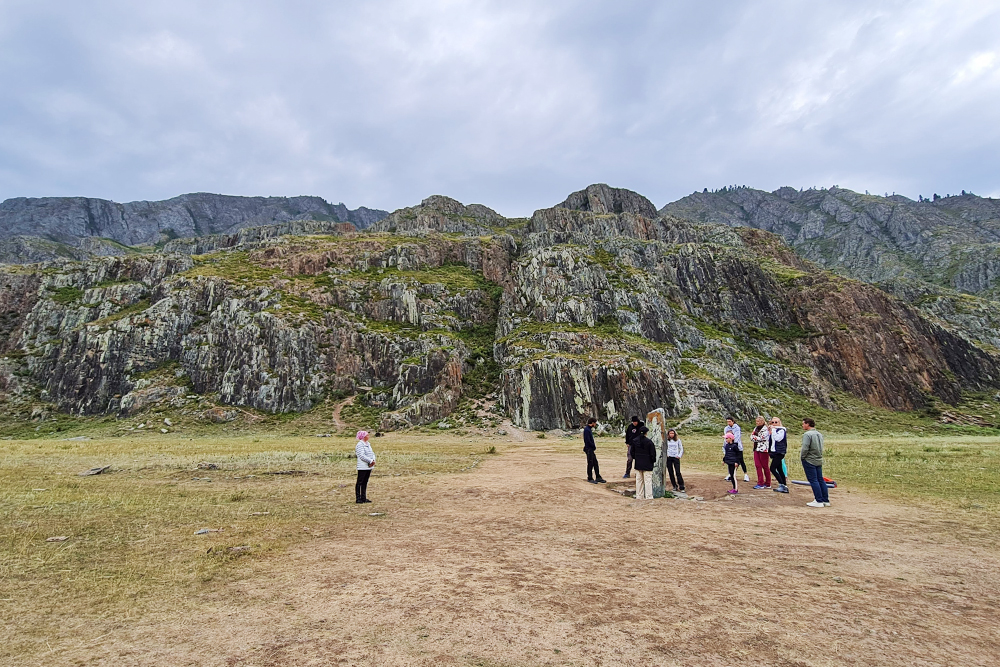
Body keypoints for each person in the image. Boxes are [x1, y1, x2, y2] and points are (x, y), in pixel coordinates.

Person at [801, 418, 829, 507]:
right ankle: (825, 500)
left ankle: (818, 500)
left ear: (807, 424)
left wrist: (802, 457)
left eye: (803, 424)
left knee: (813, 480)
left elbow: (805, 447)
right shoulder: (819, 434)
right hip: (818, 459)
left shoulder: (807, 434)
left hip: (809, 459)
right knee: (820, 479)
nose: (802, 425)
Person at [632, 425, 656, 499]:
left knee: (639, 480)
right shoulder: (649, 442)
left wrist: (636, 458)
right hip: (647, 463)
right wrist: (652, 461)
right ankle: (649, 496)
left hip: (638, 463)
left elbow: (632, 452)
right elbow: (653, 454)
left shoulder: (635, 441)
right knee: (648, 481)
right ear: (646, 433)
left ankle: (639, 496)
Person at [723, 417, 750, 482]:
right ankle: (730, 474)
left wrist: (733, 444)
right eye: (727, 422)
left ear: (733, 421)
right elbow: (726, 437)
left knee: (740, 460)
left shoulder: (737, 428)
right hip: (729, 446)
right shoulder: (726, 428)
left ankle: (746, 474)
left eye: (730, 421)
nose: (728, 423)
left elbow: (737, 437)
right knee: (730, 461)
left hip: (737, 446)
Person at [768, 417, 789, 493]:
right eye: (772, 422)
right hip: (775, 452)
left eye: (776, 422)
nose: (774, 424)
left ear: (779, 422)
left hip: (779, 452)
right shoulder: (775, 430)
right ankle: (784, 486)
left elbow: (778, 439)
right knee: (779, 469)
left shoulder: (781, 430)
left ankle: (781, 484)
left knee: (772, 468)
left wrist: (773, 430)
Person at [583, 417, 606, 484]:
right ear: (592, 423)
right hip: (589, 449)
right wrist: (592, 446)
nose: (595, 424)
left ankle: (598, 477)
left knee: (595, 463)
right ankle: (590, 477)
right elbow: (587, 440)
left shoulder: (589, 429)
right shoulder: (587, 430)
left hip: (591, 449)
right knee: (590, 463)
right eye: (595, 423)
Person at [355, 430, 376, 504]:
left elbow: (372, 453)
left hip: (368, 466)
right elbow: (361, 455)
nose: (368, 436)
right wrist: (370, 461)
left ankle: (363, 497)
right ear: (363, 436)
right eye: (367, 435)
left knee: (365, 482)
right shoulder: (360, 445)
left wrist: (373, 460)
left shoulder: (368, 444)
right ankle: (358, 498)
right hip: (362, 466)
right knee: (360, 482)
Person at [750, 416, 771, 489]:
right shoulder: (755, 428)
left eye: (758, 421)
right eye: (756, 421)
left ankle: (768, 482)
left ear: (762, 421)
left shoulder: (766, 429)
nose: (757, 423)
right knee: (758, 465)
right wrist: (755, 438)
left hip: (764, 449)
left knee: (765, 466)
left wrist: (755, 438)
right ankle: (760, 482)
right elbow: (751, 436)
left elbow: (762, 438)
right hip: (756, 448)